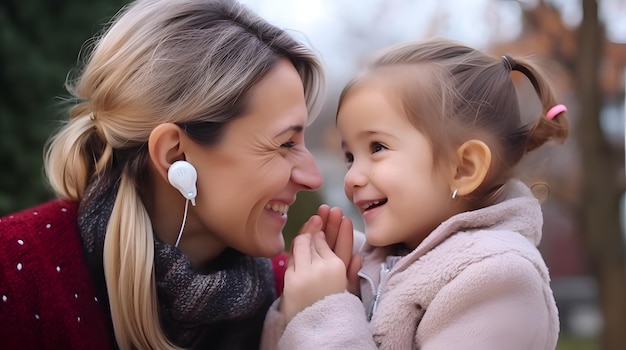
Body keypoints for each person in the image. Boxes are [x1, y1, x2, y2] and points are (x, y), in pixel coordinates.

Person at [0, 0, 338, 348]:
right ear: (175, 154)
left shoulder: (305, 297)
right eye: (284, 144)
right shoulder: (12, 280)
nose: (313, 178)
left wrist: (313, 327)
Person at [261, 38, 568, 349]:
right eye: (350, 156)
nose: (352, 177)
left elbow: (327, 327)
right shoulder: (366, 263)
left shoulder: (498, 280)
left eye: (377, 148)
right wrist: (298, 306)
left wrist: (323, 312)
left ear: (463, 169)